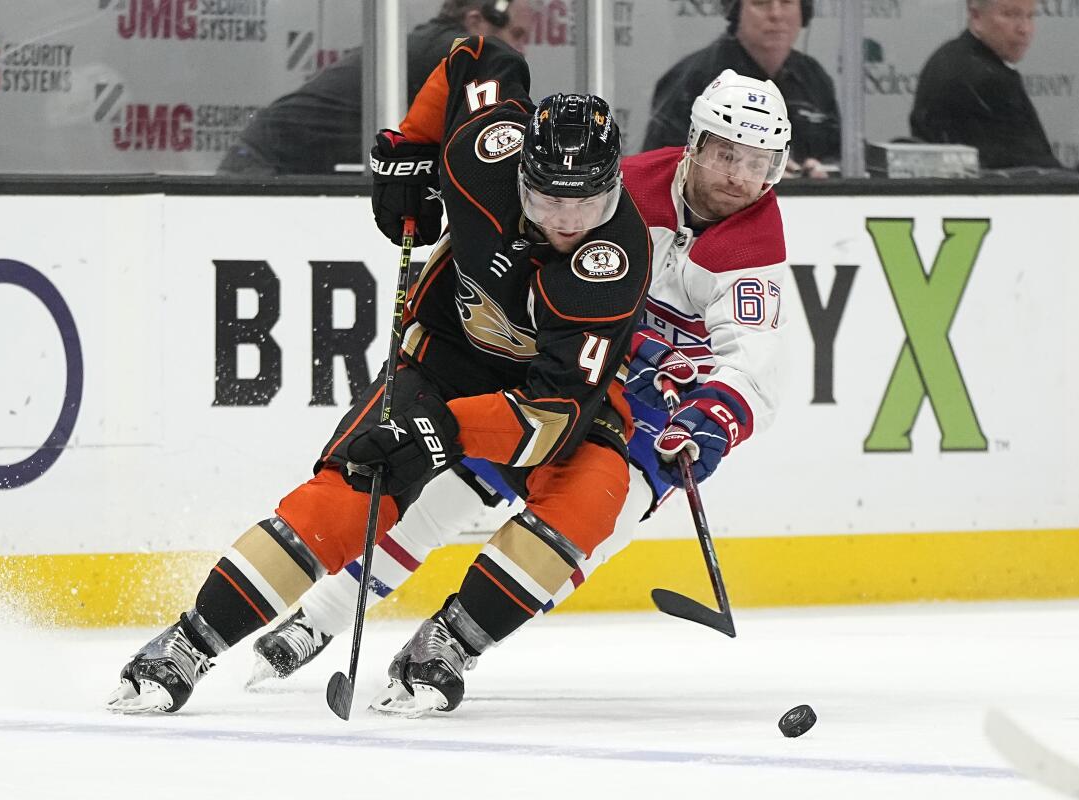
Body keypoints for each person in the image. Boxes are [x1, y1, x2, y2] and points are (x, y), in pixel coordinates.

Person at [106, 34, 653, 715]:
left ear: (615, 189)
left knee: (597, 488)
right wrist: (410, 148)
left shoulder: (615, 263)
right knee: (351, 493)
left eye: (587, 203)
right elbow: (478, 56)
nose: (568, 221)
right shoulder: (485, 152)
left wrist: (443, 431)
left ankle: (448, 644)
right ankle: (189, 642)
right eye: (548, 200)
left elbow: (550, 417)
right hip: (444, 357)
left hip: (545, 395)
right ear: (520, 172)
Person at [248, 70, 793, 717]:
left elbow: (751, 368)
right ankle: (319, 618)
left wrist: (708, 422)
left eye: (757, 163)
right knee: (443, 491)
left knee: (581, 532)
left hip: (650, 417)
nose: (738, 176)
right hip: (559, 372)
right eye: (727, 153)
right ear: (696, 143)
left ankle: (449, 643)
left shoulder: (755, 250)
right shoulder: (620, 184)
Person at [216, 0, 533, 176]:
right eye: (517, 34)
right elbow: (497, 137)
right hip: (264, 169)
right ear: (477, 21)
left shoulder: (432, 48)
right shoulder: (453, 53)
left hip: (273, 165)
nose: (522, 49)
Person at [642, 0, 836, 179]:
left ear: (804, 10)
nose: (776, 14)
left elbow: (847, 154)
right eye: (761, 2)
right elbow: (659, 171)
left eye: (786, 1)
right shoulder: (692, 79)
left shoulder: (813, 78)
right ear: (736, 11)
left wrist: (825, 168)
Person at [910, 0, 1061, 171]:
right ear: (976, 16)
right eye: (1010, 15)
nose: (1024, 29)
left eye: (1030, 16)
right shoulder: (988, 80)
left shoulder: (946, 57)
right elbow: (1038, 175)